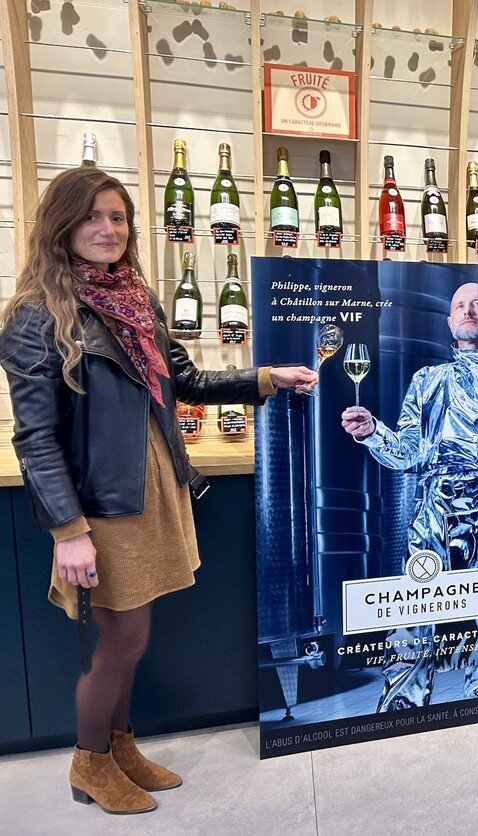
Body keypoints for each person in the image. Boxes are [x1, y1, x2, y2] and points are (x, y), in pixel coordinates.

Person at [0, 167, 315, 815]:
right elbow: (35, 438)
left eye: (117, 217)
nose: (107, 230)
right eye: (91, 217)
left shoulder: (136, 300)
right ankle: (90, 763)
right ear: (61, 225)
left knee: (132, 641)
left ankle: (120, 747)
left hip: (153, 491)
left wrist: (266, 378)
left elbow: (186, 382)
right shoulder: (36, 317)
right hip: (101, 507)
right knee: (119, 645)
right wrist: (68, 532)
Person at [341, 282, 478, 709]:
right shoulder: (427, 381)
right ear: (449, 322)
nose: (468, 310)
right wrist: (374, 433)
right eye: (459, 306)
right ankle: (401, 713)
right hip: (433, 511)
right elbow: (409, 453)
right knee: (415, 613)